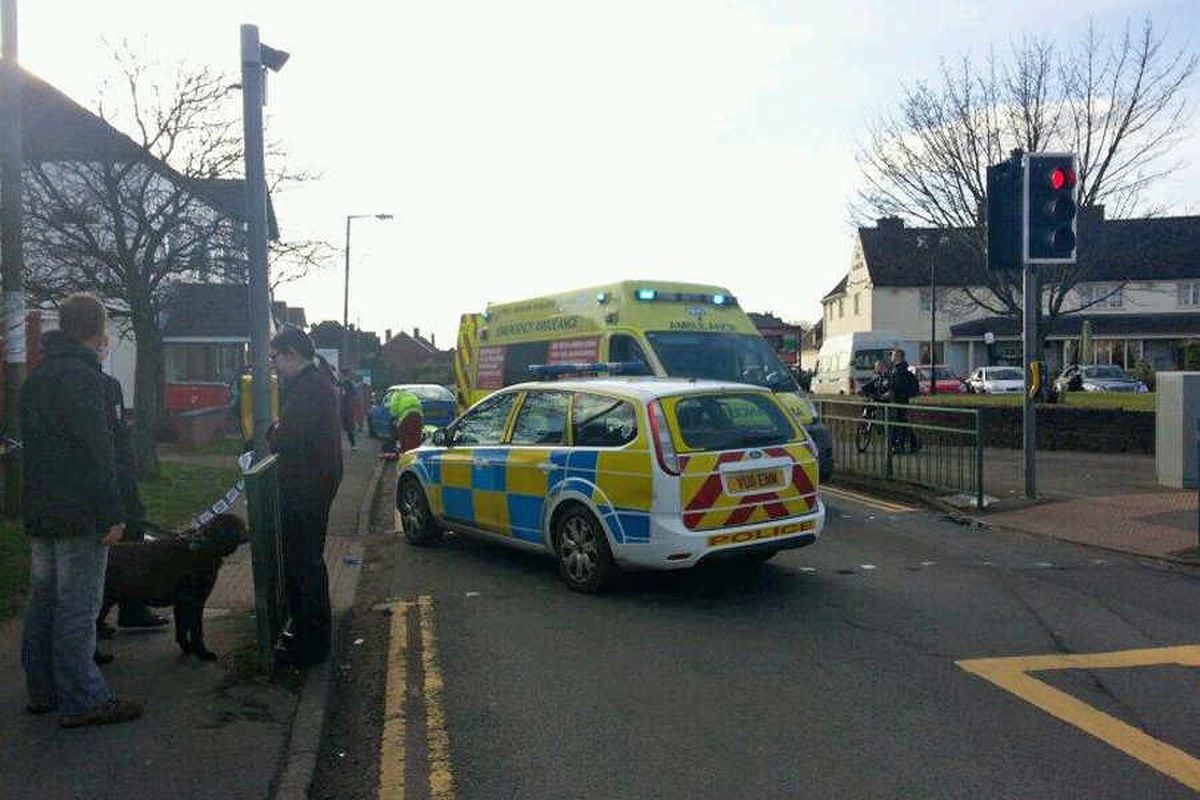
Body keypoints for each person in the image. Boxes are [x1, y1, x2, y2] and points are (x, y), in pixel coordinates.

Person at [20, 293, 142, 728]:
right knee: (77, 607)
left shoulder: (38, 377)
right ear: (98, 330)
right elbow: (98, 451)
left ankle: (43, 690)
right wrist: (113, 512)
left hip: (41, 509)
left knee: (44, 602)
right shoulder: (85, 378)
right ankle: (84, 698)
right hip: (80, 513)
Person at [269, 327, 343, 668]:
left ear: (291, 354)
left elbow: (288, 438)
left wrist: (273, 433)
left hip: (305, 489)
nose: (273, 365)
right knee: (307, 562)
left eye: (275, 358)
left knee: (304, 565)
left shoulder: (308, 389)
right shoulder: (317, 384)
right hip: (314, 484)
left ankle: (310, 644)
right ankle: (309, 637)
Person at [888, 348, 919, 454]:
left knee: (900, 423)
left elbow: (899, 385)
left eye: (893, 355)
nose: (891, 357)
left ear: (898, 356)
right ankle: (913, 443)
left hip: (900, 399)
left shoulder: (900, 369)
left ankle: (900, 445)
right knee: (903, 422)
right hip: (899, 399)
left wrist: (892, 391)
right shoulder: (897, 368)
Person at [381, 387, 423, 459]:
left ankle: (406, 456)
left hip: (407, 416)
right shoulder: (410, 394)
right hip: (418, 415)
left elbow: (394, 410)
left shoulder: (396, 395)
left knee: (405, 435)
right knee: (416, 436)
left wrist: (394, 417)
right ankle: (417, 454)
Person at [339, 371, 358, 451]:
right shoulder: (340, 383)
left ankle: (353, 445)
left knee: (349, 427)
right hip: (341, 407)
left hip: (347, 408)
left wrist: (347, 395)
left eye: (341, 374)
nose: (340, 376)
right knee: (340, 427)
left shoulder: (349, 383)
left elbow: (354, 392)